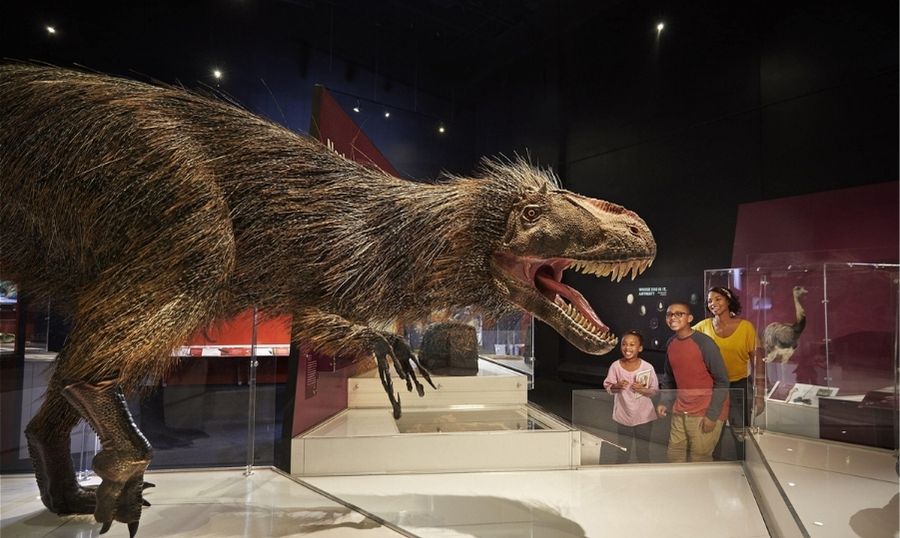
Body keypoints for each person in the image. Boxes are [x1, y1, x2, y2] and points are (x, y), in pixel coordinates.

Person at [656, 302, 730, 463]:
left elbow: (722, 380)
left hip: (705, 411)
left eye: (679, 314)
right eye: (669, 314)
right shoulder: (671, 343)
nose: (673, 317)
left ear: (690, 318)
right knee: (674, 455)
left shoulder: (705, 343)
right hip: (681, 409)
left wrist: (712, 416)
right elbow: (669, 377)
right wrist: (665, 401)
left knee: (699, 460)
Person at [693, 287, 759, 460]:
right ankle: (714, 466)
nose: (713, 303)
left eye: (718, 299)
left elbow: (757, 361)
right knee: (712, 430)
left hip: (740, 385)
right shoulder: (702, 327)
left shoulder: (746, 328)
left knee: (741, 431)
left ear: (728, 300)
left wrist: (760, 392)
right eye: (709, 301)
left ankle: (744, 466)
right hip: (714, 387)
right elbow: (683, 339)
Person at [603, 330, 659, 463]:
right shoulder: (615, 366)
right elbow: (608, 387)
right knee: (622, 451)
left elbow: (655, 391)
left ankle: (644, 480)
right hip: (623, 416)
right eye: (624, 344)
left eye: (632, 344)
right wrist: (616, 386)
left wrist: (643, 390)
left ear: (640, 348)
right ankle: (621, 481)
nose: (627, 348)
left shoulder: (648, 367)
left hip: (644, 416)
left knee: (643, 451)